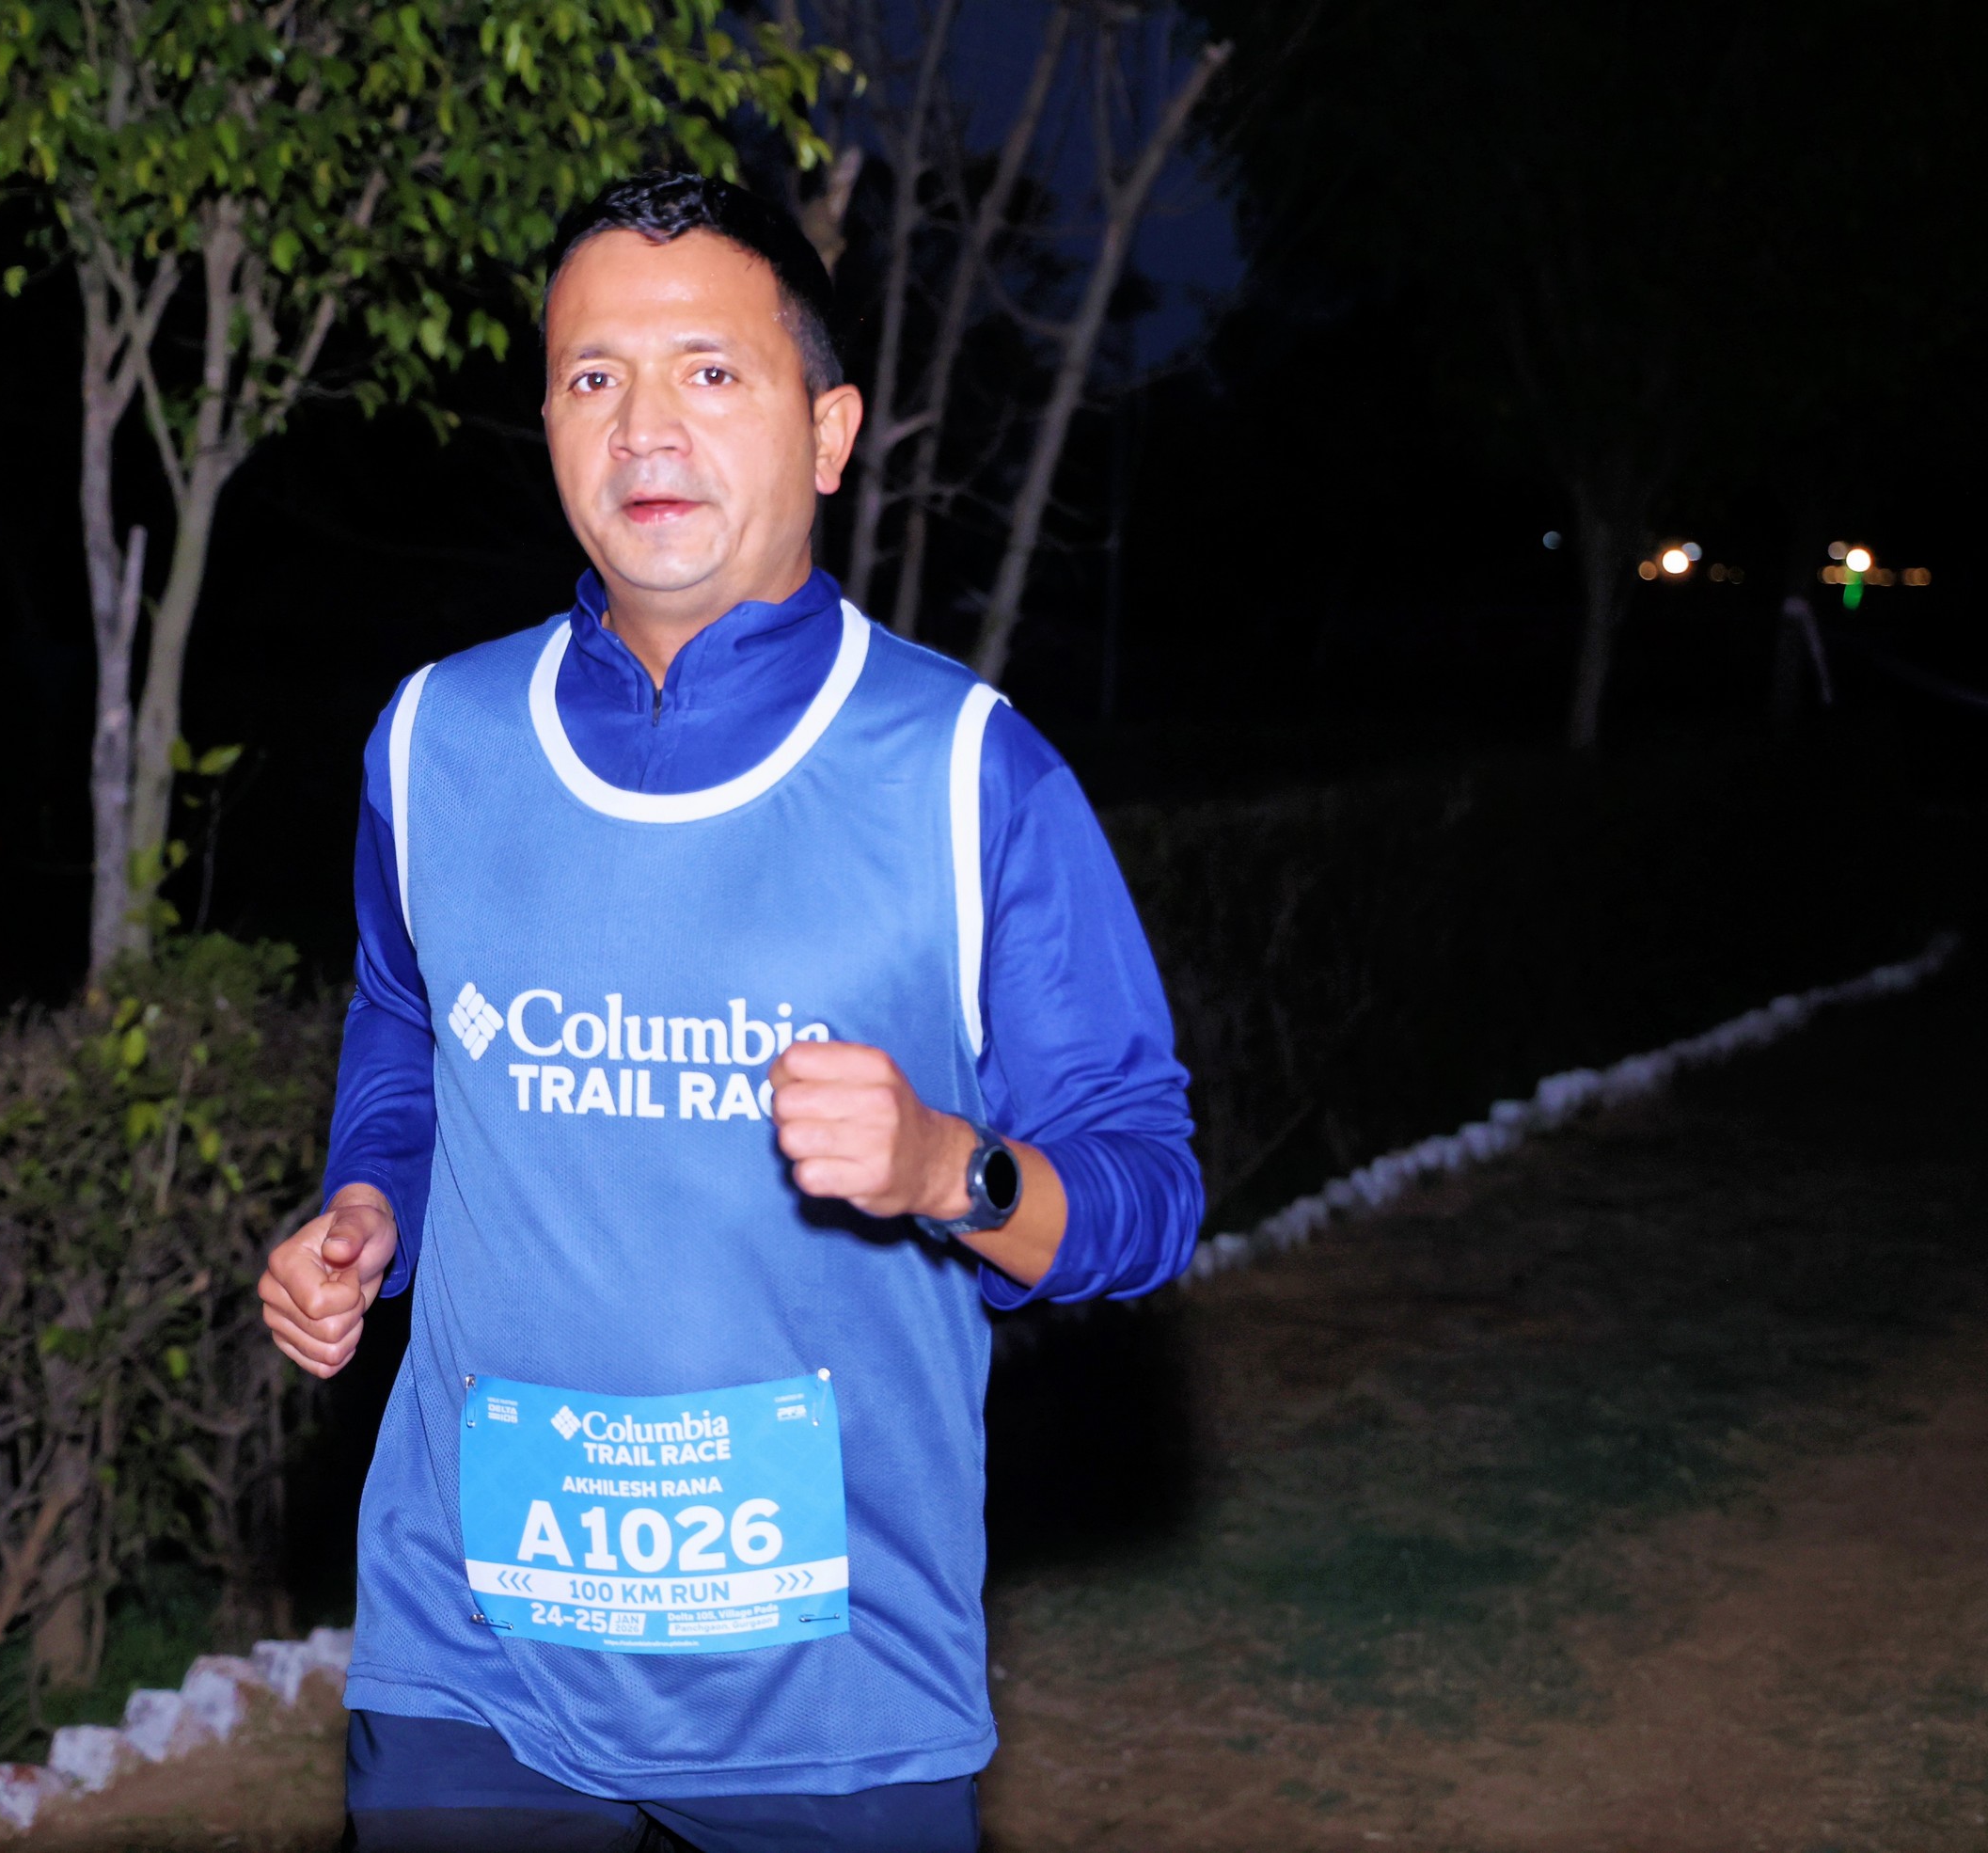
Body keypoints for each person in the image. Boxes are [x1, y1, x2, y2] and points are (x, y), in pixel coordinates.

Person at [254, 172, 1202, 1852]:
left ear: (827, 433)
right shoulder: (433, 739)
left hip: (832, 1695)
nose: (644, 428)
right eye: (593, 376)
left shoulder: (966, 774)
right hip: (473, 1655)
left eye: (709, 371)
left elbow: (1148, 1191)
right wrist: (368, 1203)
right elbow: (405, 1019)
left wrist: (946, 1169)